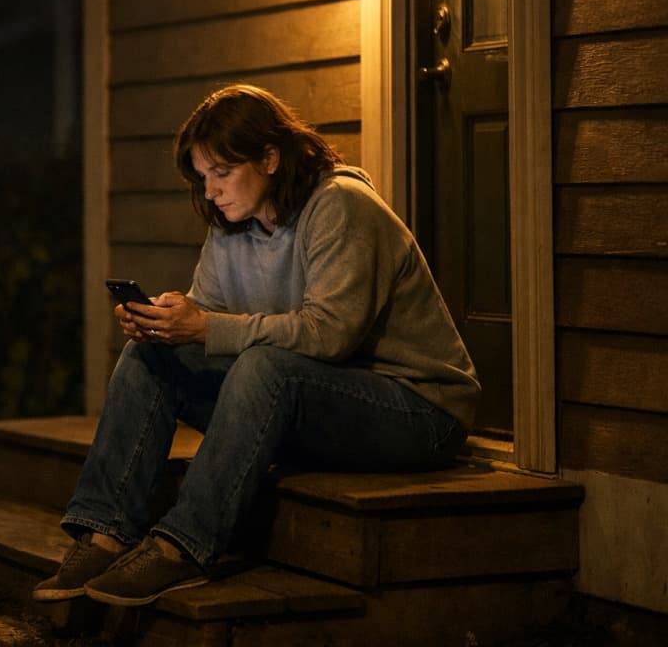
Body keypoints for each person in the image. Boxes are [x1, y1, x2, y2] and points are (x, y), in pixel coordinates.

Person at [33, 84, 479, 607]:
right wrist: (167, 323)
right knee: (151, 356)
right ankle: (105, 533)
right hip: (313, 403)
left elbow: (328, 334)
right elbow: (211, 319)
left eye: (222, 172)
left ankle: (182, 547)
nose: (212, 191)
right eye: (203, 178)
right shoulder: (231, 225)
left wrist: (204, 327)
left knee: (268, 366)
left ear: (270, 157)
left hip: (417, 410)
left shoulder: (341, 207)